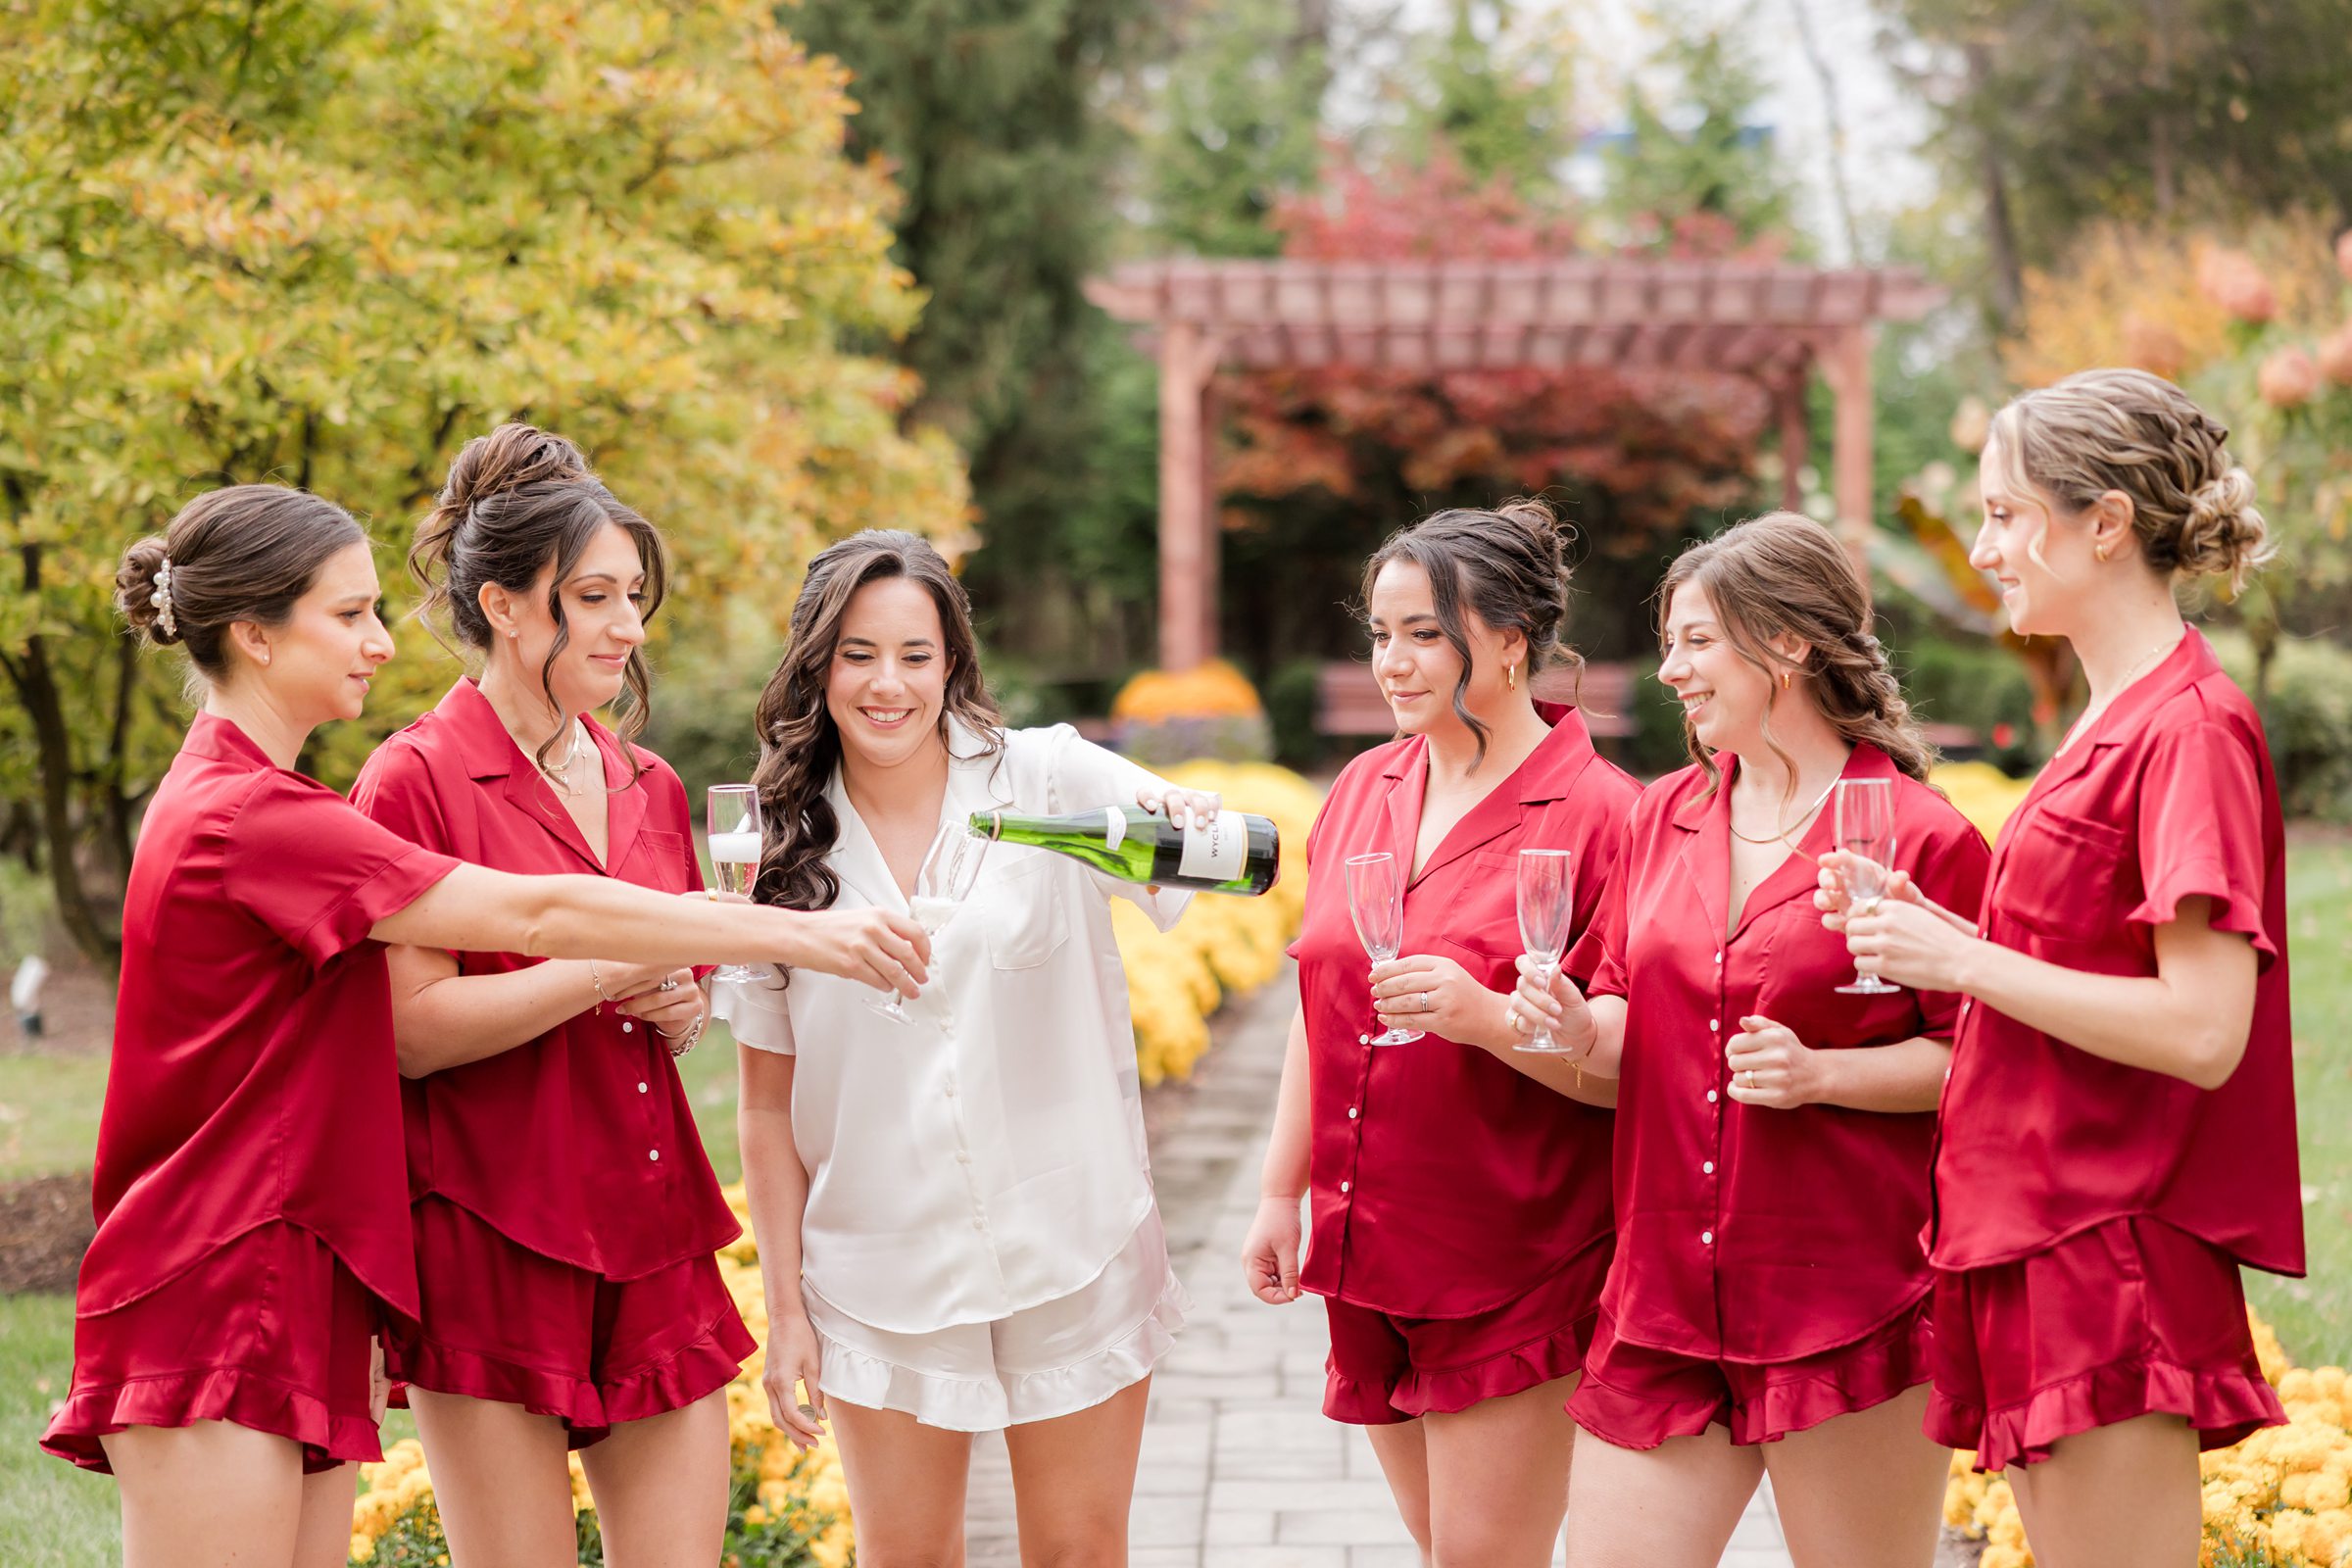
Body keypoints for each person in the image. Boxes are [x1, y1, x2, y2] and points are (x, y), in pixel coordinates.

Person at [40, 483, 929, 1568]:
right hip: (219, 1273)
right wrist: (807, 937)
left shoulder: (269, 800)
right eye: (350, 614)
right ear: (254, 634)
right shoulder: (249, 815)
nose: (381, 641)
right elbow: (529, 910)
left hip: (294, 1272)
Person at [1837, 368, 2298, 1568]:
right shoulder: (2112, 715)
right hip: (2031, 1229)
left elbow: (2205, 1029)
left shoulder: (2188, 728)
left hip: (2108, 1243)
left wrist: (1965, 957)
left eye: (2004, 513)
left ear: (2105, 524)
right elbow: (2074, 951)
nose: (1984, 546)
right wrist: (1929, 924)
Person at [713, 530, 1213, 1568]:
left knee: (1080, 1552)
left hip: (1071, 1236)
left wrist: (1187, 817)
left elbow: (1202, 858)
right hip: (879, 1266)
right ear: (816, 661)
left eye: (914, 654)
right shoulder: (768, 847)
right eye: (857, 652)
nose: (886, 683)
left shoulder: (1049, 779)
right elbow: (764, 1106)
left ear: (952, 663)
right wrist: (788, 1307)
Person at [1507, 513, 1991, 1568]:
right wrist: (1582, 1025)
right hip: (1663, 1296)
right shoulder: (1660, 816)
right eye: (1671, 642)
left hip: (1847, 1297)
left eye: (1696, 642)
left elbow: (1978, 1064)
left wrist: (1825, 1074)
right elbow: (1626, 1011)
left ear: (1789, 644)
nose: (1670, 669)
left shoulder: (1923, 834)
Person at [349, 424, 751, 1568]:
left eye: (635, 595)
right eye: (595, 596)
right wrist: (601, 971)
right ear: (508, 605)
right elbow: (411, 1034)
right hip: (490, 1233)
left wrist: (683, 1004)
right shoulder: (412, 778)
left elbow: (671, 994)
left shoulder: (650, 783)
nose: (629, 624)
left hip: (653, 1223)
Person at [1240, 501, 1638, 1568]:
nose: (1394, 663)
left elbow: (1628, 1072)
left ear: (1511, 640)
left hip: (1516, 1252)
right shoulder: (1367, 786)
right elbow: (1318, 1008)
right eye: (1381, 633)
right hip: (1367, 1244)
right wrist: (1283, 1194)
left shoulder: (1605, 816)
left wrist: (1484, 1018)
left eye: (1426, 633)